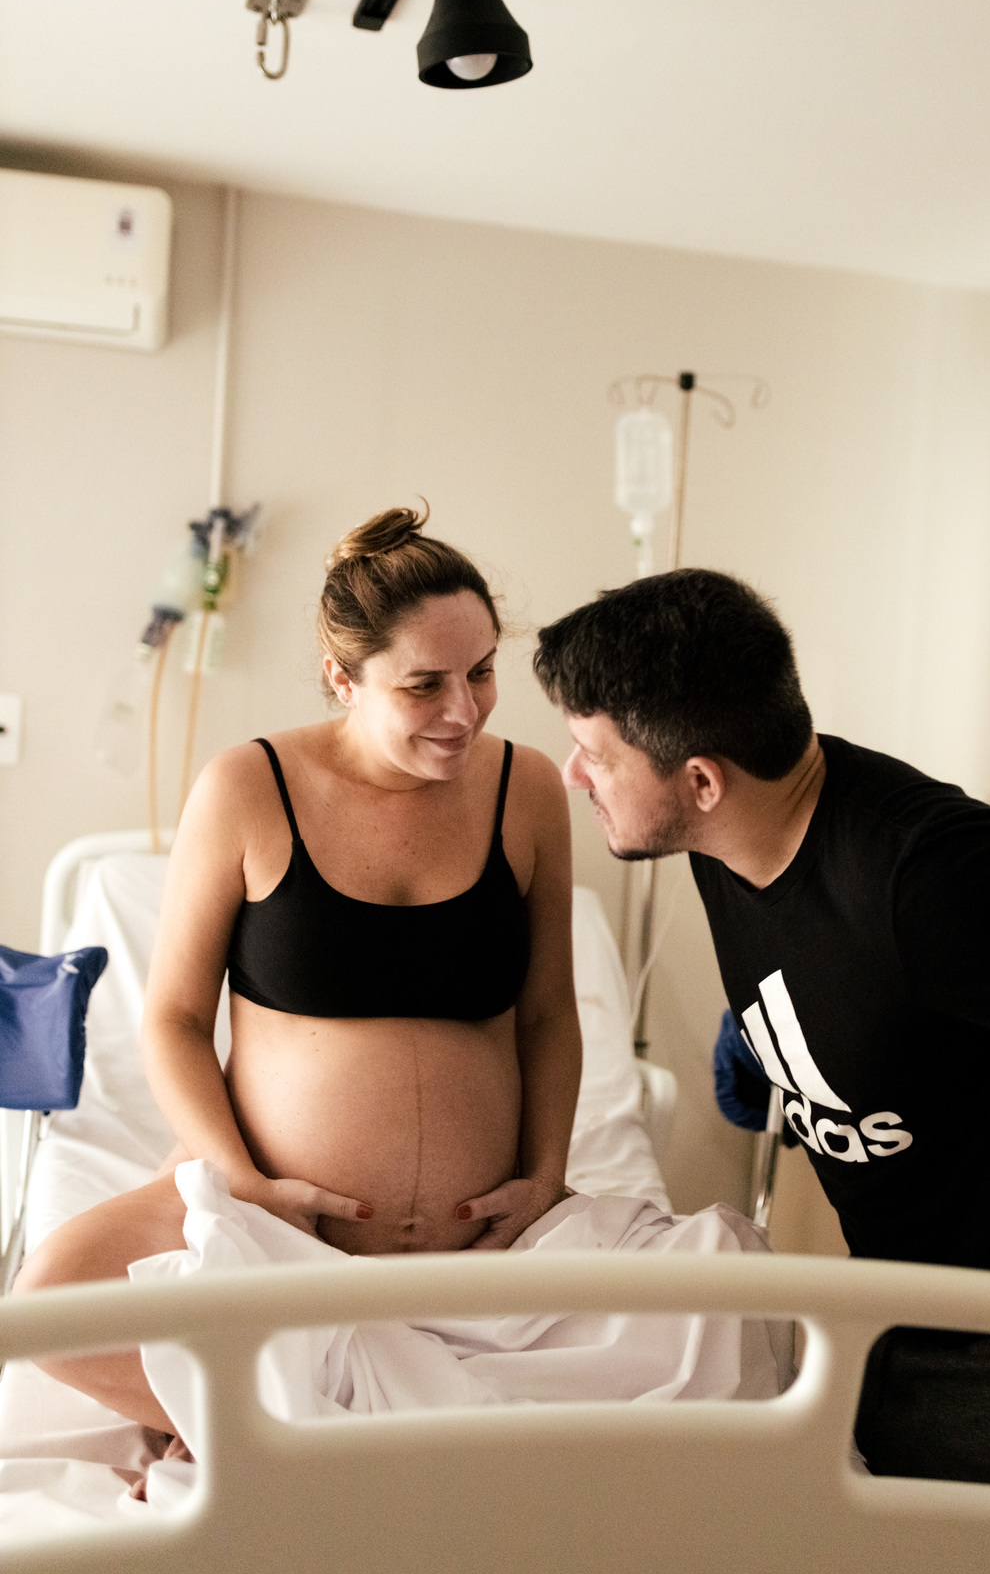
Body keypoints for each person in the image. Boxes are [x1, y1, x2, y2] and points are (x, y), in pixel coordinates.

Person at [533, 567, 990, 1490]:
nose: (574, 775)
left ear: (701, 779)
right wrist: (770, 1046)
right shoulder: (730, 835)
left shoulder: (933, 877)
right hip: (902, 1315)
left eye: (594, 755)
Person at [16, 506, 582, 1429]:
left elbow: (550, 1014)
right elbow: (174, 1023)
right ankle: (297, 1423)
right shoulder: (247, 788)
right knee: (51, 1305)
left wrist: (546, 1180)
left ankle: (306, 1418)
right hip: (267, 1223)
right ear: (342, 678)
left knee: (718, 1331)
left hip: (481, 1249)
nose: (465, 710)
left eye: (482, 672)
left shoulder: (527, 789)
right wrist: (241, 1182)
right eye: (424, 685)